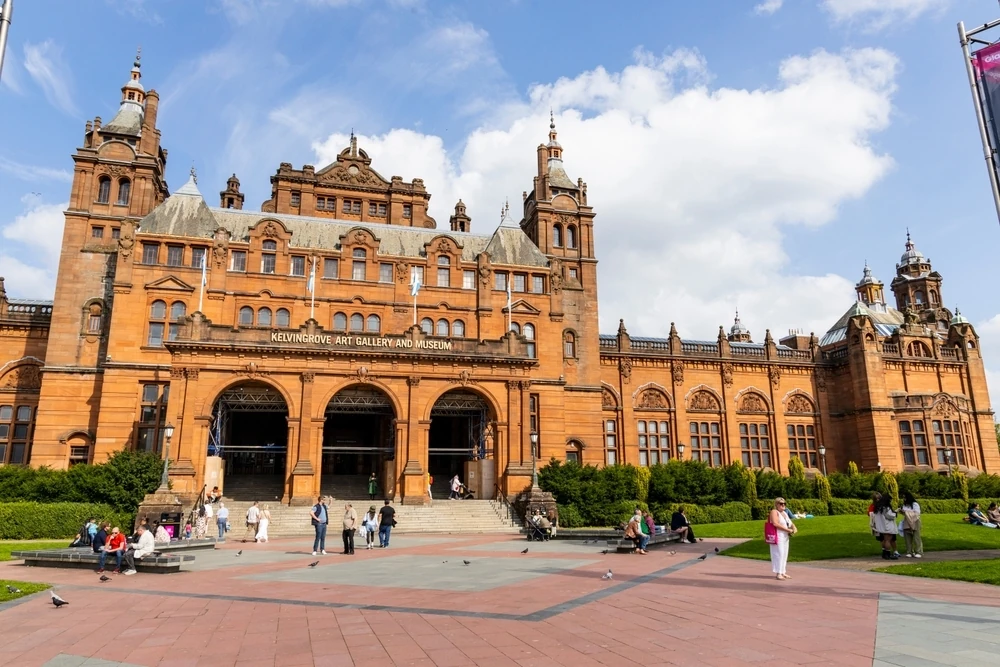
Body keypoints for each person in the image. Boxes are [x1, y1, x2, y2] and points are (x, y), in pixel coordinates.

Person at [768, 497, 796, 580]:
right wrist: (787, 530)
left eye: (784, 503)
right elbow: (775, 524)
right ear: (776, 504)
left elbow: (790, 523)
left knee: (784, 554)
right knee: (778, 554)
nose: (783, 505)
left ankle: (783, 571)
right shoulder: (774, 512)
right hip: (778, 536)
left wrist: (794, 528)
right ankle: (778, 573)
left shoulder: (784, 513)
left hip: (785, 536)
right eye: (781, 503)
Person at [872, 494, 899, 559]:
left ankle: (884, 554)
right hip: (887, 526)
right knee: (887, 540)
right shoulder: (886, 507)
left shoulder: (877, 507)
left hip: (881, 526)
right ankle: (888, 554)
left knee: (884, 540)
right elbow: (889, 516)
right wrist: (896, 512)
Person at [900, 491, 923, 558]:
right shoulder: (905, 505)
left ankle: (918, 551)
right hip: (907, 521)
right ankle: (909, 551)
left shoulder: (915, 504)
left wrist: (906, 512)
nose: (904, 499)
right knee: (907, 536)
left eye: (905, 497)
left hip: (915, 521)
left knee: (916, 537)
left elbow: (917, 513)